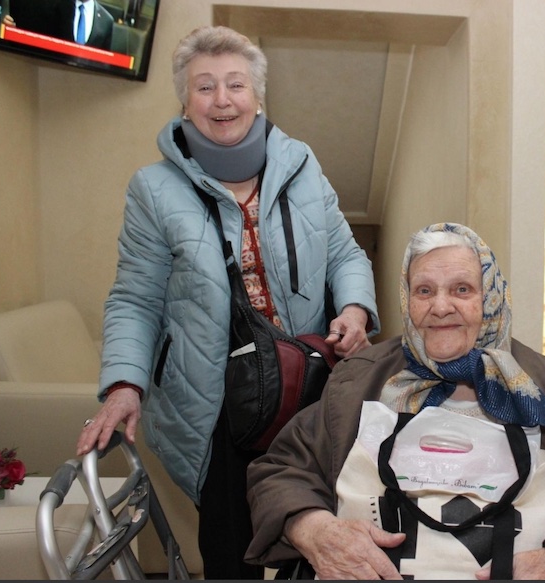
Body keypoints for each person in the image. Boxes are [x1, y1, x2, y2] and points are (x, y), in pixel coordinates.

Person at [75, 25, 380, 580]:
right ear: (185, 103)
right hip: (214, 401)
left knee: (321, 540)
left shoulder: (302, 165)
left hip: (306, 388)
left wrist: (355, 310)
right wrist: (124, 385)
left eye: (235, 85)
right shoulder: (153, 189)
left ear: (257, 96)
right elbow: (136, 299)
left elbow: (346, 254)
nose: (222, 100)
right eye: (205, 86)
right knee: (232, 552)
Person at [245, 222, 545, 580]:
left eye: (462, 289)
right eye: (424, 290)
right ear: (406, 300)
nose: (441, 307)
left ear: (491, 297)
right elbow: (280, 471)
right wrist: (316, 530)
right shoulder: (359, 379)